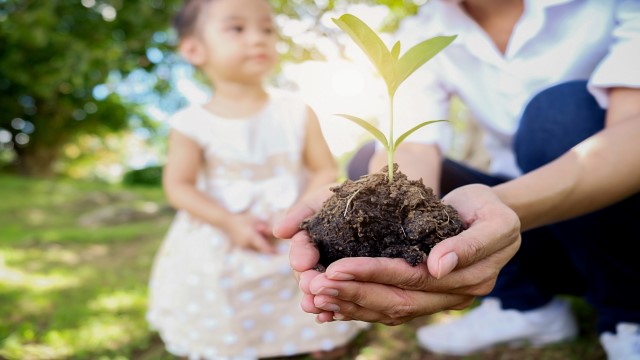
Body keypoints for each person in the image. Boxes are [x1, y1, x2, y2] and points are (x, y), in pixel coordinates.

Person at [273, 0, 640, 359]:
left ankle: (627, 314)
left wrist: (502, 206)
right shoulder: (427, 27)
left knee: (556, 116)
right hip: (535, 236)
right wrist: (375, 205)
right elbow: (412, 149)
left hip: (616, 219)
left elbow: (632, 136)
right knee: (369, 164)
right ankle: (525, 305)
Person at [145, 0, 366, 358]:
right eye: (237, 28)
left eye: (266, 29)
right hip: (224, 238)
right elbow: (179, 186)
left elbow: (324, 169)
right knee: (225, 300)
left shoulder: (297, 111)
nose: (258, 39)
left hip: (293, 231)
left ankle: (317, 344)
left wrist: (302, 210)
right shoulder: (191, 122)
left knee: (305, 290)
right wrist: (228, 221)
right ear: (193, 49)